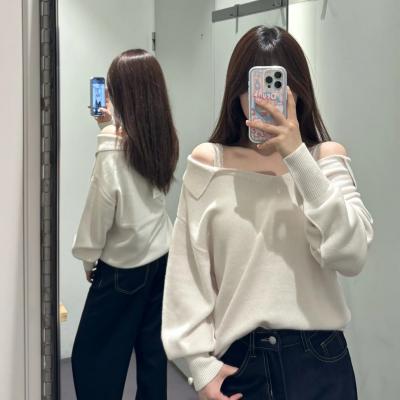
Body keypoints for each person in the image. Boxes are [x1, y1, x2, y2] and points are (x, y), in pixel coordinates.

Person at [161, 26, 373, 400]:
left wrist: (297, 156)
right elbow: (187, 273)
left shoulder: (326, 160)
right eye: (254, 87)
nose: (263, 100)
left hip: (320, 360)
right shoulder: (210, 164)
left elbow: (351, 254)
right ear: (236, 92)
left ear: (297, 91)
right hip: (241, 362)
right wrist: (199, 366)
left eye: (277, 86)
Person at [71, 49, 179, 400]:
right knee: (152, 358)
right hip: (161, 256)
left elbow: (99, 214)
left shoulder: (113, 149)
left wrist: (88, 259)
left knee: (92, 361)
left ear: (122, 95)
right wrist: (107, 127)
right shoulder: (160, 138)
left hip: (123, 269)